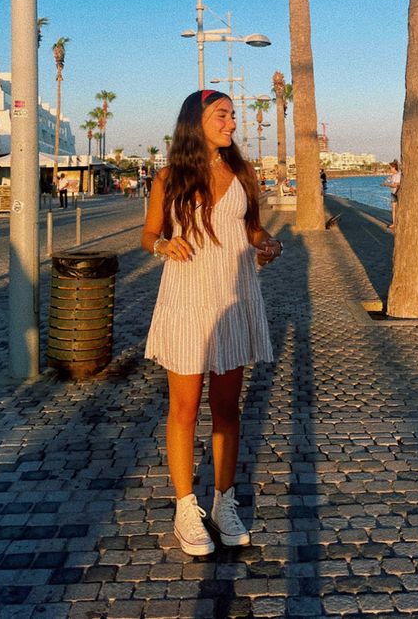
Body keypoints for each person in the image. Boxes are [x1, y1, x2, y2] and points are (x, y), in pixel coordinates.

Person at [142, 90, 280, 557]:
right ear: (196, 120)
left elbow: (250, 228)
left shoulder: (241, 172)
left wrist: (267, 243)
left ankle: (224, 501)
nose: (232, 123)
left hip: (232, 297)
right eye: (223, 115)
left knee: (227, 409)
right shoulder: (168, 177)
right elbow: (149, 233)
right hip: (185, 299)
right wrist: (164, 246)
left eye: (234, 116)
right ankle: (185, 506)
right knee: (183, 408)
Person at [382, 160, 401, 231]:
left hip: (397, 193)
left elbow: (395, 185)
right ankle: (394, 223)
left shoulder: (398, 175)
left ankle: (396, 222)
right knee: (393, 209)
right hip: (393, 193)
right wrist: (387, 181)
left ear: (394, 167)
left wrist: (387, 184)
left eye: (390, 168)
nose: (390, 169)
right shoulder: (393, 175)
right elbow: (388, 182)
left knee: (396, 209)